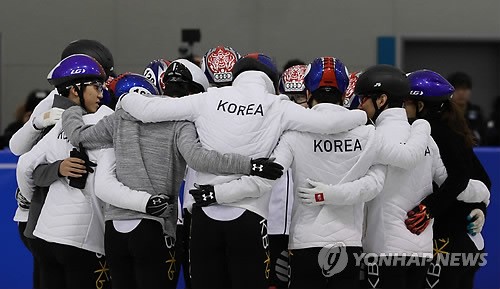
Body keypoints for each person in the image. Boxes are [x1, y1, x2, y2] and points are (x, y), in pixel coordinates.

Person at [118, 53, 368, 288]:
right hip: (249, 215)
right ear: (271, 80)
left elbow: (146, 110)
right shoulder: (277, 105)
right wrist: (361, 116)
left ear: (237, 75)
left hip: (204, 215)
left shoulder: (208, 99)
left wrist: (125, 97)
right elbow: (328, 123)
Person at [61, 61, 283, 289]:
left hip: (115, 228)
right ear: (190, 92)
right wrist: (250, 165)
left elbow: (79, 136)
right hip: (154, 223)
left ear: (163, 86)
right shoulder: (182, 122)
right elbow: (200, 159)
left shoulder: (120, 117)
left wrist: (74, 107)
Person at [16, 54, 111, 289]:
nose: (101, 93)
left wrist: (30, 197)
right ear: (74, 90)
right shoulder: (107, 120)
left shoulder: (59, 124)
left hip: (45, 235)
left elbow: (25, 165)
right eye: (96, 86)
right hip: (81, 239)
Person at [405, 70, 491, 289]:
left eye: (406, 102)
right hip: (459, 239)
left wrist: (429, 208)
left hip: (447, 238)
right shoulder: (450, 128)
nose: (401, 108)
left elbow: (464, 177)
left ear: (421, 105)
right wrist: (480, 206)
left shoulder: (437, 133)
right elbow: (481, 179)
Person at [447, 72, 485, 144]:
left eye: (464, 88)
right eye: (457, 89)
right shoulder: (444, 112)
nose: (461, 92)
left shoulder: (477, 112)